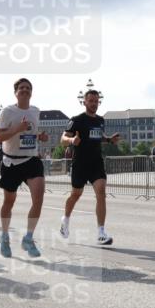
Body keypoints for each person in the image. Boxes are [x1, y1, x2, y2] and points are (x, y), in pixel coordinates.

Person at [0, 77, 49, 258]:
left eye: (28, 88)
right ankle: (4, 235)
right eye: (21, 88)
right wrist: (17, 128)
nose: (25, 90)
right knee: (9, 201)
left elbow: (31, 133)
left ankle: (28, 238)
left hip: (31, 159)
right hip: (11, 161)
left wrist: (39, 136)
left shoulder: (35, 111)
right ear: (16, 92)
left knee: (39, 199)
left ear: (31, 92)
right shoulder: (7, 111)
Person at [60, 90, 120, 245]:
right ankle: (65, 219)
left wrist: (108, 140)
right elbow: (63, 138)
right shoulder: (77, 120)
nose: (94, 103)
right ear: (84, 102)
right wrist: (72, 140)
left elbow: (97, 137)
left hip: (96, 163)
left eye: (96, 101)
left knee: (101, 192)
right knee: (75, 195)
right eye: (91, 101)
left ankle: (101, 232)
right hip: (80, 163)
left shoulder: (100, 120)